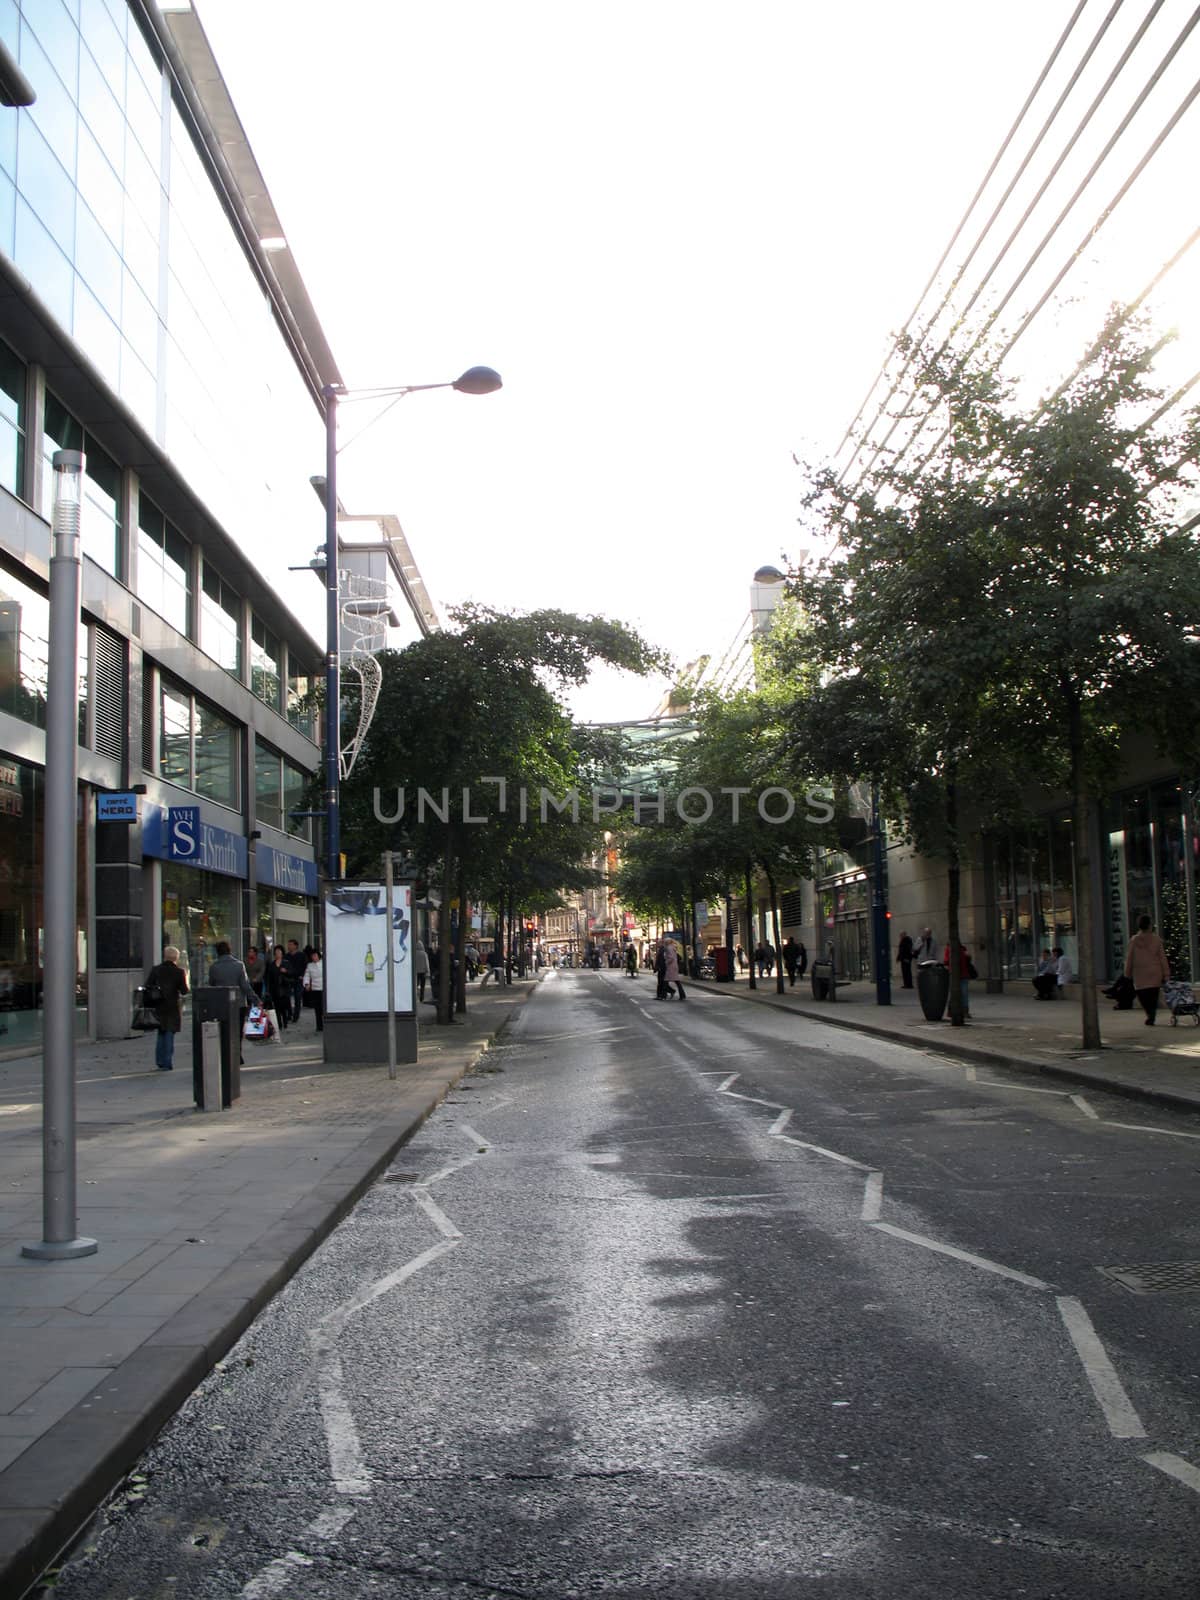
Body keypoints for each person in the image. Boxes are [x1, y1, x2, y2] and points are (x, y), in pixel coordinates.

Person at [208, 940, 259, 1059]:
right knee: (237, 1030)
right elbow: (245, 985)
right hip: (238, 1003)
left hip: (221, 1004)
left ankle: (226, 1053)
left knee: (224, 1030)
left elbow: (212, 984)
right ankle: (237, 1053)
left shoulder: (214, 967)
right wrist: (255, 999)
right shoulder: (239, 965)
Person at [146, 945, 188, 1070]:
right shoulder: (179, 972)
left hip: (158, 1005)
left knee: (161, 1032)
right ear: (176, 958)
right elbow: (184, 990)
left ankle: (159, 1061)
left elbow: (148, 985)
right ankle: (167, 1061)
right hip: (172, 1006)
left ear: (165, 956)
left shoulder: (156, 970)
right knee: (170, 1032)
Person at [1124, 915, 1170, 1025]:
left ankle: (1149, 1014)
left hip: (1139, 973)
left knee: (1142, 995)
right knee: (1153, 995)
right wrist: (1166, 973)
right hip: (1155, 972)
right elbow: (1162, 958)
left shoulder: (1134, 940)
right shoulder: (1156, 939)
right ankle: (1152, 1014)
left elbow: (1129, 957)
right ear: (1150, 925)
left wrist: (1127, 972)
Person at [942, 938, 972, 1018]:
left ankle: (965, 1011)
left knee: (964, 993)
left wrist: (968, 956)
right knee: (955, 993)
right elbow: (946, 961)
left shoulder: (962, 949)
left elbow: (967, 960)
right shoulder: (949, 949)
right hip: (954, 975)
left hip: (963, 974)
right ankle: (952, 1011)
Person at [264, 945, 290, 1032]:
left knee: (284, 1007)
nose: (278, 954)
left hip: (284, 988)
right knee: (277, 1007)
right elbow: (268, 977)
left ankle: (285, 1021)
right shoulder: (272, 965)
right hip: (275, 988)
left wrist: (286, 971)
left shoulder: (286, 963)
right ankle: (279, 1023)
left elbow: (292, 973)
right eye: (276, 953)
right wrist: (268, 990)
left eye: (279, 952)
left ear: (282, 953)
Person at [283, 939, 308, 1023]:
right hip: (288, 979)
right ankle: (289, 1014)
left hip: (298, 979)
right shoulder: (286, 956)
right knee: (287, 997)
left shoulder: (301, 955)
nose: (289, 946)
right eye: (288, 945)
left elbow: (305, 966)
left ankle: (296, 1016)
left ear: (295, 946)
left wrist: (302, 976)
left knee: (297, 998)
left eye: (290, 945)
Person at [302, 946, 325, 1031]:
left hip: (323, 989)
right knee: (317, 1008)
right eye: (312, 956)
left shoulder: (324, 963)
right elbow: (307, 975)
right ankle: (319, 1026)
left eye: (315, 955)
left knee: (324, 1008)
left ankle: (325, 1024)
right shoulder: (310, 965)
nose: (314, 957)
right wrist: (307, 984)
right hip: (315, 989)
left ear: (318, 955)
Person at [414, 938, 430, 1002]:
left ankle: (415, 997)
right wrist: (427, 971)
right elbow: (426, 963)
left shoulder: (414, 953)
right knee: (422, 986)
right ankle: (421, 997)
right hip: (423, 972)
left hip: (416, 972)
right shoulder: (424, 954)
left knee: (416, 985)